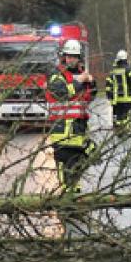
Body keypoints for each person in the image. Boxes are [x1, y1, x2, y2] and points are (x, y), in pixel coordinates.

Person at [47, 39, 96, 193]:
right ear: (64, 56)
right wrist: (79, 82)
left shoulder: (82, 74)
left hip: (78, 130)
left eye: (74, 56)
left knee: (78, 167)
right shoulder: (57, 75)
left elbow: (90, 96)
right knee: (65, 172)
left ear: (79, 57)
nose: (71, 59)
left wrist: (92, 82)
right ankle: (67, 201)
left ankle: (75, 200)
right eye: (68, 56)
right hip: (62, 132)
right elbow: (59, 93)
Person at [106, 49, 131, 137]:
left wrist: (109, 95)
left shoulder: (114, 70)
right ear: (126, 58)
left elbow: (109, 83)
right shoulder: (129, 70)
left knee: (118, 115)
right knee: (127, 115)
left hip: (116, 99)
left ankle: (118, 130)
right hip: (127, 98)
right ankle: (126, 130)